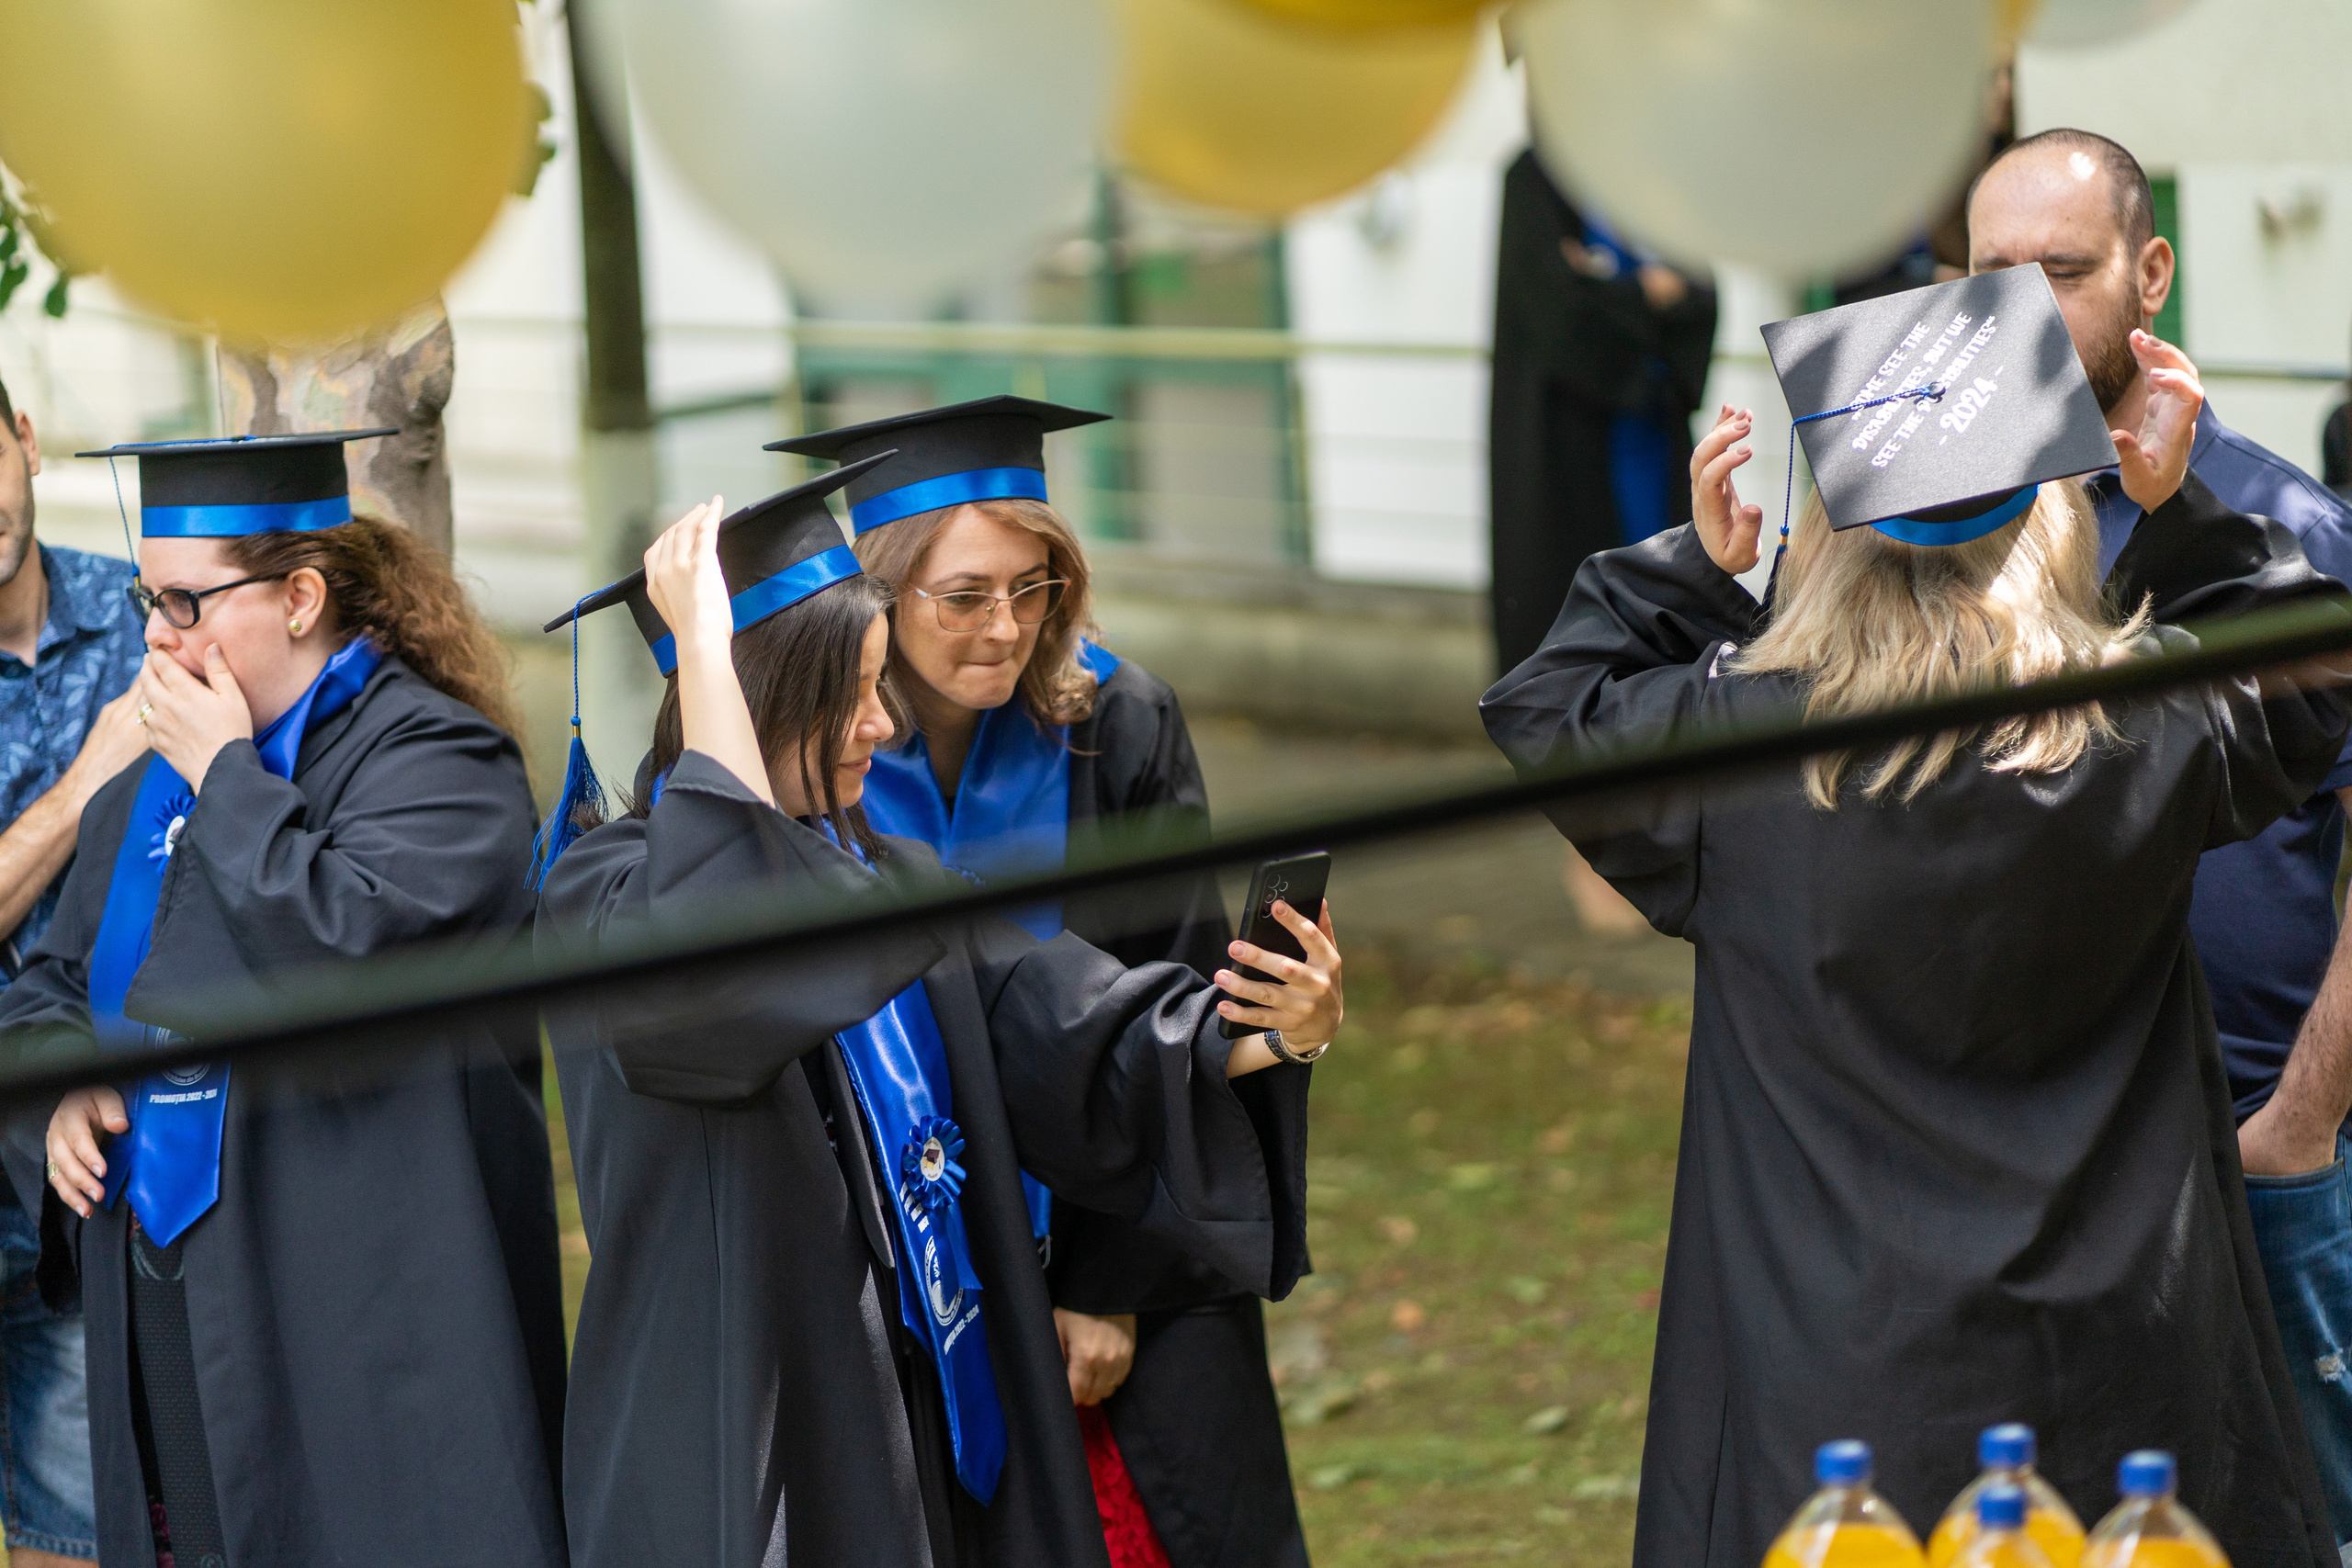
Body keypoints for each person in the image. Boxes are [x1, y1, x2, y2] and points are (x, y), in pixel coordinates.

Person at [1482, 265, 2350, 1568]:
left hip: (1828, 1377)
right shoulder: (2144, 726)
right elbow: (2308, 670)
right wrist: (2183, 508)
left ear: (1828, 534)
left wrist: (1700, 571)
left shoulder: (1731, 752)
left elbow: (1550, 702)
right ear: (2055, 518)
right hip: (2110, 1366)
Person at [535, 464, 1341, 1568]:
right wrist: (710, 657)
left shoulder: (887, 876)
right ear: (759, 699)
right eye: (853, 694)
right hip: (747, 1421)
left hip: (915, 1385)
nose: (881, 724)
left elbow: (1067, 1023)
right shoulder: (604, 894)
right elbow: (710, 984)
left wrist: (1264, 1026)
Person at [0, 432, 568, 1568]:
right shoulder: (149, 780)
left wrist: (227, 779)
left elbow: (342, 955)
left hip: (359, 1326)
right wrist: (56, 1091)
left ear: (302, 597)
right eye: (147, 600)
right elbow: (51, 982)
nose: (157, 637)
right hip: (169, 1304)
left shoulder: (439, 763)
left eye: (186, 603)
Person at [771, 397, 1306, 1568]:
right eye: (964, 596)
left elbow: (1175, 993)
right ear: (879, 596)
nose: (1005, 628)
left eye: (1033, 589)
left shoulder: (1117, 721)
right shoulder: (818, 757)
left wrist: (1109, 1285)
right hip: (906, 1247)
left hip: (1119, 1227)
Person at [1969, 127, 2352, 1544]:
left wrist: (2302, 1118)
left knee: (2293, 1521)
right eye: (1992, 274)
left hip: (2252, 1138)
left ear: (2151, 274)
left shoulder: (2294, 533)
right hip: (2022, 1156)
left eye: (2063, 271)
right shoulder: (1944, 546)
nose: (2022, 310)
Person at [0, 371, 143, 1564]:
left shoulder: (145, 615)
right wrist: (89, 781)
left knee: (83, 1517)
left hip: (85, 1157)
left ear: (27, 441)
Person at [1487, 147, 1717, 680]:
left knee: (1666, 588)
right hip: (1572, 438)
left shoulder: (1650, 165)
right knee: (1578, 613)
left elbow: (1700, 293)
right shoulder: (1535, 176)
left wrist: (1606, 286)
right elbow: (1559, 313)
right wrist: (1647, 292)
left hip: (1653, 431)